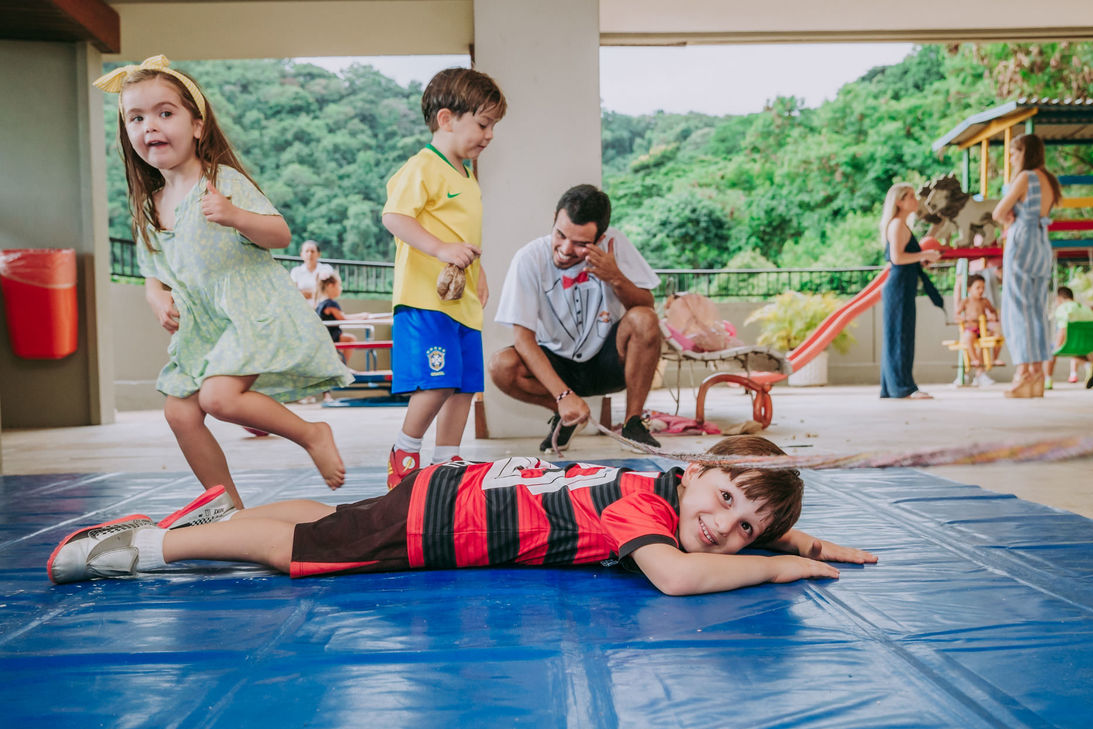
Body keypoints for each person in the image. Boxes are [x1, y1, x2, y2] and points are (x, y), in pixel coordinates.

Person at [46, 435, 878, 596]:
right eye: (725, 502)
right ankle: (149, 545)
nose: (723, 528)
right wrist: (778, 563)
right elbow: (675, 574)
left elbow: (711, 522)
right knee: (293, 552)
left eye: (744, 532)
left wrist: (792, 530)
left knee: (331, 517)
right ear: (695, 473)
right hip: (436, 526)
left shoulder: (664, 482)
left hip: (453, 487)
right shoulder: (644, 513)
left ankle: (191, 523)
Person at [94, 55, 353, 509]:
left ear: (197, 125)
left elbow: (279, 233)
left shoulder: (221, 181)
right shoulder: (150, 206)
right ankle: (228, 509)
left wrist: (234, 215)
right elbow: (153, 272)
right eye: (136, 117)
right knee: (179, 411)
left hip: (250, 310)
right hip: (205, 327)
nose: (150, 125)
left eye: (164, 113)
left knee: (217, 396)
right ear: (128, 132)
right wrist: (156, 297)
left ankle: (313, 433)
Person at [381, 68, 507, 489]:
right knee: (438, 382)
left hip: (463, 303)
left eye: (493, 126)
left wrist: (479, 270)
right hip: (426, 300)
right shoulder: (423, 167)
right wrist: (439, 250)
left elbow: (463, 235)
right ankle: (405, 450)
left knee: (465, 385)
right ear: (447, 119)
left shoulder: (467, 174)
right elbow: (395, 217)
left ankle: (447, 459)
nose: (489, 136)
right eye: (483, 123)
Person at [490, 184, 664, 452]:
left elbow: (646, 306)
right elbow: (523, 340)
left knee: (644, 319)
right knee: (501, 366)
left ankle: (632, 425)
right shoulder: (529, 258)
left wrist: (615, 277)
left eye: (581, 244)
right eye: (560, 234)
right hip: (557, 363)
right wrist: (563, 396)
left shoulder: (614, 246)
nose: (565, 249)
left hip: (609, 360)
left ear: (600, 237)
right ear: (554, 219)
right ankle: (567, 414)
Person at [991, 133, 1061, 399]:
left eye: (1013, 152)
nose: (1010, 158)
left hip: (1022, 242)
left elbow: (999, 212)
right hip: (1042, 245)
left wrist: (1009, 217)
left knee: (1016, 309)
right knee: (1036, 310)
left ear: (1024, 153)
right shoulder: (1050, 181)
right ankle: (1038, 375)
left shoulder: (1025, 178)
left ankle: (1024, 373)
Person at [879, 182, 941, 399]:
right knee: (900, 336)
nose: (916, 200)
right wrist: (925, 255)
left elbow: (906, 258)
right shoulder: (896, 225)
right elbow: (897, 258)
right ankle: (903, 388)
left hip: (905, 285)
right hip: (899, 287)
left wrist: (922, 260)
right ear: (899, 201)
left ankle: (894, 386)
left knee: (900, 335)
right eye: (911, 196)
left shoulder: (902, 225)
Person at [1048, 286, 1093, 387]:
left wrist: (1057, 347)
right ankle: (1089, 365)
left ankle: (1047, 380)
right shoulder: (1086, 309)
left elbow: (1063, 331)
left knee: (1050, 351)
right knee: (1076, 350)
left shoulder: (1063, 308)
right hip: (1089, 345)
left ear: (1059, 298)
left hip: (1071, 344)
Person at [955, 273, 999, 385]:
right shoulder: (966, 301)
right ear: (969, 289)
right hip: (971, 329)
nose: (981, 290)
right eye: (978, 287)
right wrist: (961, 318)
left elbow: (993, 312)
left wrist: (993, 316)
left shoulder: (985, 301)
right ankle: (975, 361)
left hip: (983, 330)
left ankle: (993, 360)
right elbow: (957, 315)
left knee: (997, 337)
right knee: (968, 338)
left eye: (983, 288)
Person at [313, 268, 369, 347]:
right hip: (331, 336)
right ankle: (344, 360)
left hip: (324, 335)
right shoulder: (330, 304)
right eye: (339, 285)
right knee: (351, 339)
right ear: (330, 286)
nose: (340, 289)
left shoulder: (320, 303)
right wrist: (361, 316)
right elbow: (343, 318)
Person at [290, 240, 339, 304]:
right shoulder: (296, 271)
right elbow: (293, 294)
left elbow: (330, 292)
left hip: (322, 308)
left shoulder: (326, 268)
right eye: (307, 251)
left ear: (319, 254)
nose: (309, 254)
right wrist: (318, 292)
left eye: (312, 251)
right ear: (301, 254)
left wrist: (304, 293)